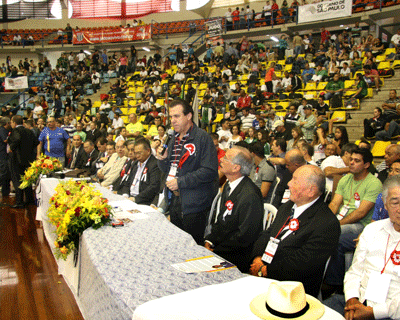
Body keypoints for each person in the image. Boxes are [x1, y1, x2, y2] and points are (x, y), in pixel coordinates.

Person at [250, 165, 341, 298]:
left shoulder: (327, 224)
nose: (288, 184)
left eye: (295, 180)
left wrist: (265, 270)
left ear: (311, 191)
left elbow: (302, 263)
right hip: (263, 272)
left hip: (292, 291)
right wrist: (257, 258)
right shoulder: (288, 206)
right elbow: (268, 234)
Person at [324, 175, 400, 320]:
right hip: (360, 300)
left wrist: (373, 313)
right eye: (395, 202)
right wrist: (352, 299)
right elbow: (355, 271)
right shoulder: (372, 230)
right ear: (384, 204)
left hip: (391, 312)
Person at [156, 99, 218, 245]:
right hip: (174, 200)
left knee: (192, 248)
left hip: (194, 204)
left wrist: (181, 182)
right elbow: (167, 169)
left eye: (176, 116)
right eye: (171, 117)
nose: (172, 121)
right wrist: (163, 159)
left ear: (189, 116)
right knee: (177, 245)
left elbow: (209, 171)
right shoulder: (172, 139)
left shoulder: (202, 138)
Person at [324, 148, 382, 295]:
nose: (351, 163)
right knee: (321, 229)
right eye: (351, 159)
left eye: (357, 161)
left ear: (366, 165)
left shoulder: (374, 183)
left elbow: (361, 212)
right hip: (341, 220)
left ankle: (334, 283)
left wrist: (335, 225)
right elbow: (335, 204)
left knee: (337, 234)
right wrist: (326, 221)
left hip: (362, 226)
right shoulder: (345, 179)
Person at [204, 146, 264, 272]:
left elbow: (245, 236)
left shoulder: (250, 195)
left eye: (226, 158)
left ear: (236, 168)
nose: (221, 159)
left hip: (237, 254)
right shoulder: (228, 186)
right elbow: (221, 220)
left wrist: (216, 250)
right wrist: (210, 240)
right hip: (221, 246)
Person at [8, 115, 39, 208]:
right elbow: (36, 143)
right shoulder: (29, 131)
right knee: (27, 180)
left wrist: (11, 147)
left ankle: (19, 201)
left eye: (11, 122)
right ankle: (29, 200)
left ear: (14, 122)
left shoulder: (16, 131)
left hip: (17, 160)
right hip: (28, 160)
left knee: (17, 180)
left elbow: (17, 139)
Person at [119, 138, 161, 205]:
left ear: (148, 151)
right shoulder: (135, 164)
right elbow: (127, 182)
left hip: (143, 201)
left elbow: (153, 187)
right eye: (135, 153)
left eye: (139, 153)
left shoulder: (154, 164)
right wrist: (125, 195)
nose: (137, 156)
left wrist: (135, 199)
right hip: (130, 198)